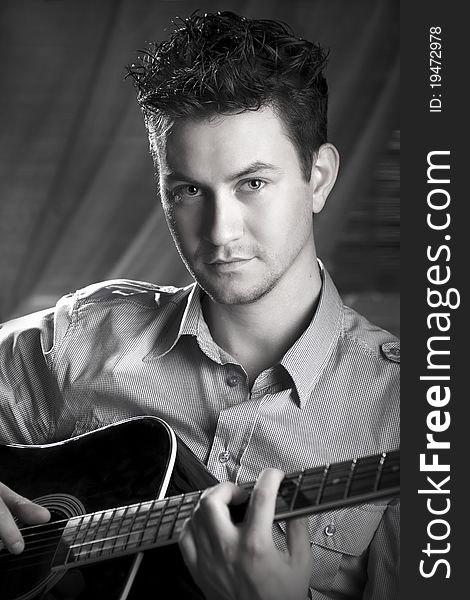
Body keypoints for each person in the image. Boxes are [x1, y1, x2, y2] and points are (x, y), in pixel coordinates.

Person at [0, 11, 399, 600]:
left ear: (317, 178)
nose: (219, 231)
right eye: (188, 190)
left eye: (252, 183)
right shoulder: (88, 336)